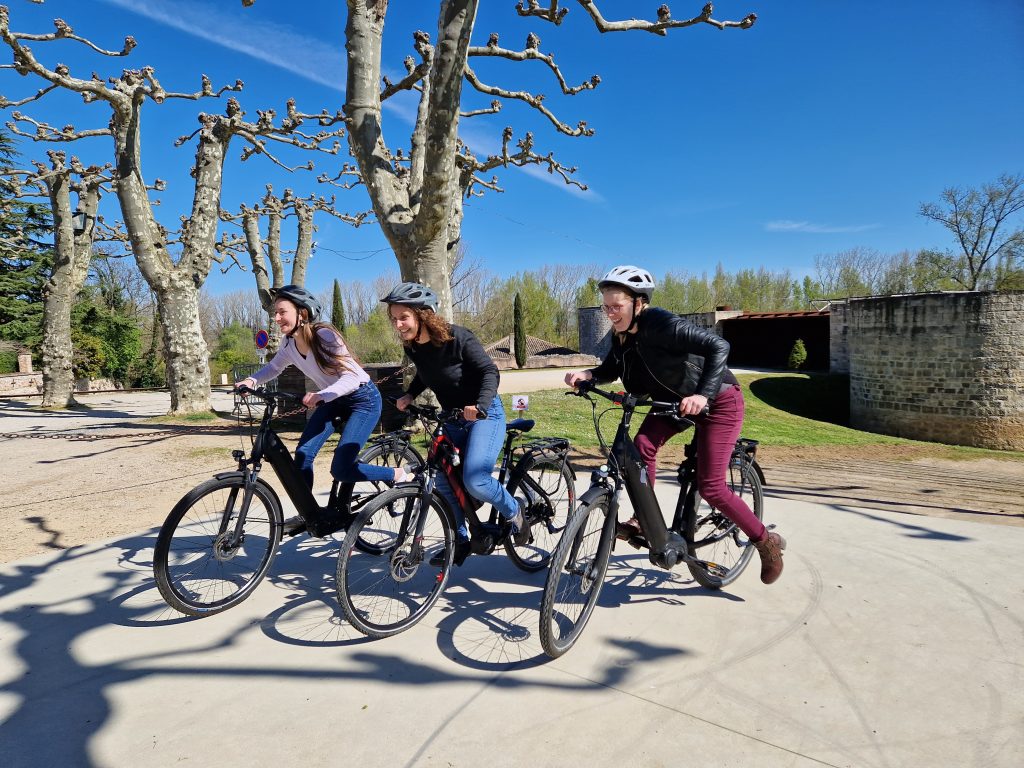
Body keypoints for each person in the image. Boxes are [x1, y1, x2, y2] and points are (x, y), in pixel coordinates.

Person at [563, 266, 786, 584]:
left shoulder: (662, 324)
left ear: (638, 303)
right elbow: (612, 367)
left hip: (718, 400)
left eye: (616, 306)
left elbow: (718, 347)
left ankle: (767, 542)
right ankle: (644, 520)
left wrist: (702, 395)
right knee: (640, 447)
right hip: (672, 403)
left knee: (712, 487)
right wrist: (589, 375)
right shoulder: (622, 334)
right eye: (606, 307)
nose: (610, 313)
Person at [236, 284, 405, 535]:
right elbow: (273, 368)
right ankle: (310, 515)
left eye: (282, 312)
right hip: (333, 399)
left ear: (301, 313)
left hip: (362, 399)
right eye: (275, 313)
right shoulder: (289, 344)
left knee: (341, 467)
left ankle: (397, 474)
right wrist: (251, 381)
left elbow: (350, 378)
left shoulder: (324, 336)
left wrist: (321, 395)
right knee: (303, 454)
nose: (276, 318)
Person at [381, 281, 528, 565]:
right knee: (443, 479)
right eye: (394, 318)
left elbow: (488, 371)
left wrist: (481, 406)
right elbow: (427, 373)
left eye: (403, 317)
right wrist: (410, 394)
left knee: (476, 479)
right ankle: (460, 540)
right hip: (452, 418)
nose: (398, 324)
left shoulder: (458, 338)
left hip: (485, 415)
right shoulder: (413, 347)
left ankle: (514, 511)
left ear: (423, 315)